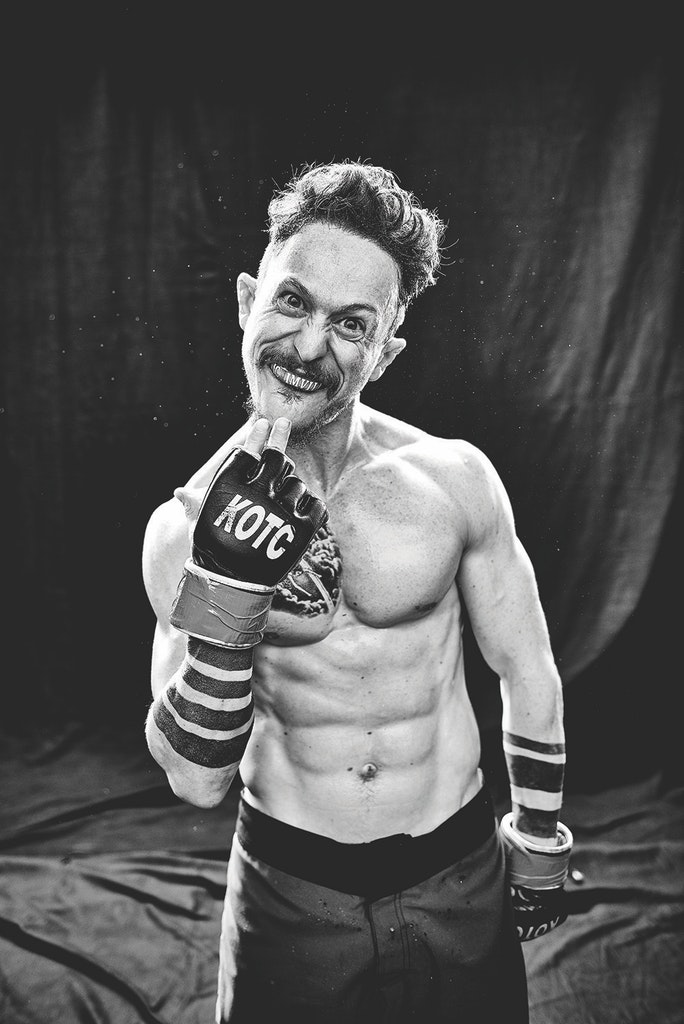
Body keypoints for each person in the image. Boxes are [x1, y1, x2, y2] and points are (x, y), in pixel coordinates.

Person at [142, 160, 572, 1023]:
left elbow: (527, 667)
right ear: (247, 302)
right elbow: (195, 782)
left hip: (457, 871)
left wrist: (537, 838)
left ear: (386, 352)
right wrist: (229, 590)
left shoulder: (453, 481)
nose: (309, 347)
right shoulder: (184, 530)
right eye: (292, 302)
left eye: (351, 325)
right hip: (290, 888)